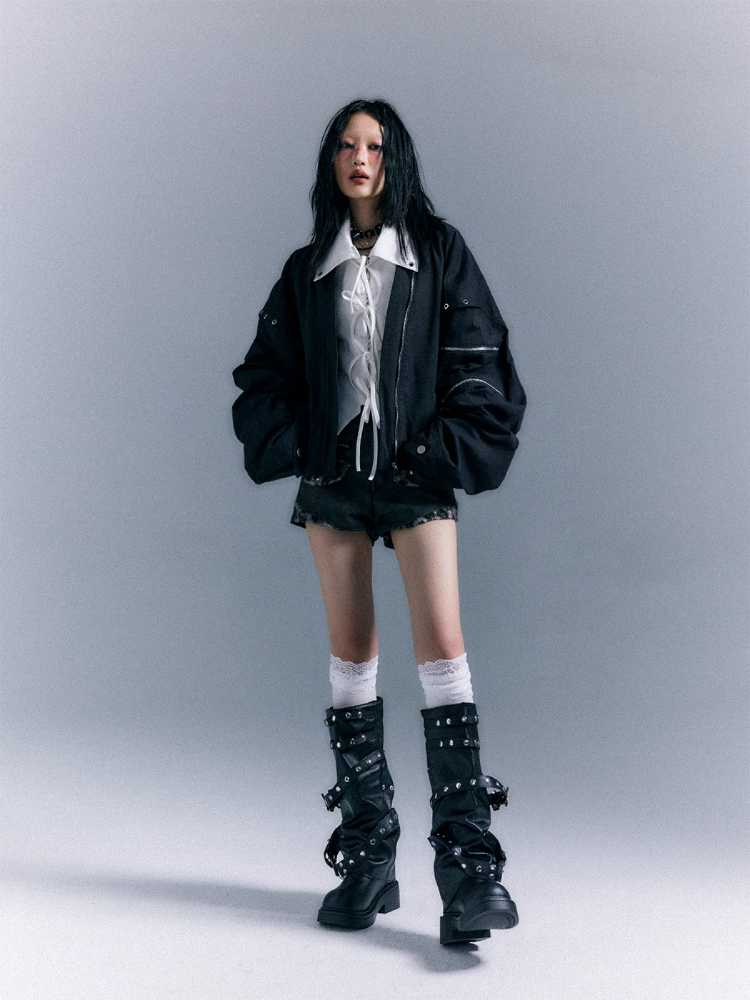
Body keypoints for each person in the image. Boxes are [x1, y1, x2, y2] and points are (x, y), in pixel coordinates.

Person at [231, 98, 527, 945]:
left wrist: (434, 452)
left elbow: (481, 359)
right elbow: (266, 375)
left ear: (395, 161)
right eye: (346, 145)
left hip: (414, 475)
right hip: (337, 485)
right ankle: (368, 857)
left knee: (442, 651)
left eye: (375, 145)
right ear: (332, 163)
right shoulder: (306, 269)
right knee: (352, 655)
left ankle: (468, 871)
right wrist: (305, 445)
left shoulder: (437, 252)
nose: (360, 157)